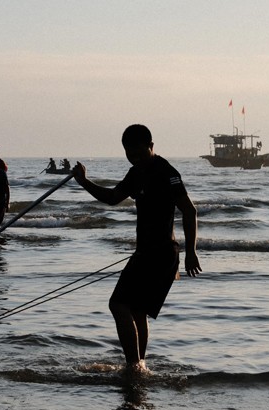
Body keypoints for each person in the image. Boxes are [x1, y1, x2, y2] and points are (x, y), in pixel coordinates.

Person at [72, 124, 201, 373]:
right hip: (145, 253)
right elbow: (112, 198)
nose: (135, 158)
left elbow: (189, 210)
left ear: (151, 146)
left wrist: (191, 252)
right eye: (130, 154)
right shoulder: (135, 173)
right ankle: (139, 366)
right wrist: (83, 181)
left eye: (140, 152)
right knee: (137, 311)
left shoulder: (167, 172)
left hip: (162, 255)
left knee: (118, 305)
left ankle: (133, 368)